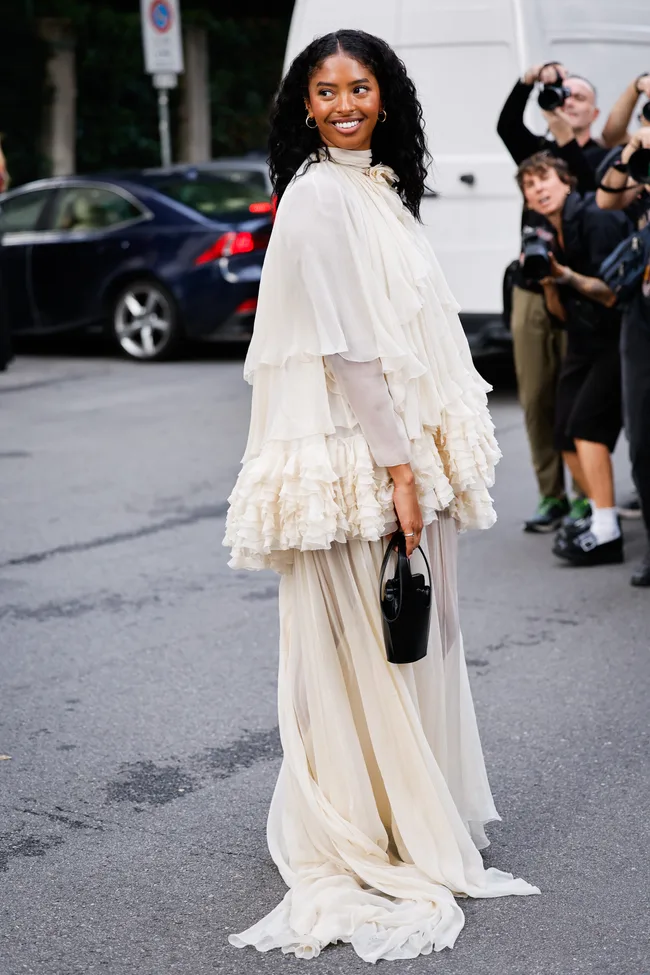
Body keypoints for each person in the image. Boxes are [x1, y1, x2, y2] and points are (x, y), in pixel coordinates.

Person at [223, 29, 539, 963]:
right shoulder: (318, 198)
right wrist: (402, 471)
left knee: (403, 646)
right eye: (326, 92)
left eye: (360, 87)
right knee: (367, 646)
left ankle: (406, 813)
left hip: (396, 451)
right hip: (361, 461)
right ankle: (367, 827)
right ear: (305, 108)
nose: (345, 103)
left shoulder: (381, 191)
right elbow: (347, 352)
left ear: (384, 99)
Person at [498, 63, 609, 534]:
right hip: (530, 288)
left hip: (576, 291)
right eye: (561, 96)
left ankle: (588, 497)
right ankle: (551, 495)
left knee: (572, 401)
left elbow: (589, 182)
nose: (567, 101)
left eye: (577, 97)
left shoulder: (602, 159)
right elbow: (506, 126)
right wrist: (529, 81)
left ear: (594, 110)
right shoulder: (538, 152)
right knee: (536, 395)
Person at [516, 152, 630, 566]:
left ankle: (607, 532)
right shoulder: (544, 236)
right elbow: (561, 314)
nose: (538, 189)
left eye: (544, 178)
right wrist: (548, 283)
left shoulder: (596, 218)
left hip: (620, 335)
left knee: (587, 428)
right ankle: (605, 514)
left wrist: (567, 277)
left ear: (566, 182)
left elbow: (614, 291)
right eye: (529, 185)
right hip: (582, 340)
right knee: (562, 433)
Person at [596, 129, 650, 586]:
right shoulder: (641, 170)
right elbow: (606, 200)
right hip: (642, 316)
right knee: (643, 438)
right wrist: (633, 151)